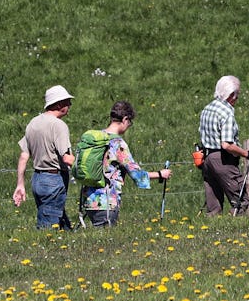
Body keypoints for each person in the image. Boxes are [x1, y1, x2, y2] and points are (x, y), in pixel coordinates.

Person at [80, 101, 172, 227]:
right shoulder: (118, 143)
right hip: (107, 202)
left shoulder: (97, 139)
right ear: (125, 119)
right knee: (106, 242)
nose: (129, 126)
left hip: (89, 200)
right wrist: (160, 174)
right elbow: (136, 174)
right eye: (130, 122)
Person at [13, 85, 76, 229]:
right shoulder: (58, 125)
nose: (69, 105)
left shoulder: (33, 123)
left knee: (56, 219)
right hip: (53, 178)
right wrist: (88, 167)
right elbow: (66, 158)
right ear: (59, 104)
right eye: (67, 102)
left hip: (37, 180)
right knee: (47, 227)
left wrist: (20, 184)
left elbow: (24, 155)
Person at [198, 75, 249, 216]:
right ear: (231, 95)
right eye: (237, 96)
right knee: (240, 201)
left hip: (206, 159)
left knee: (214, 207)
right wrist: (247, 154)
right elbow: (226, 145)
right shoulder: (226, 113)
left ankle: (212, 231)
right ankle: (237, 230)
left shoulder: (207, 108)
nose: (237, 100)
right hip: (222, 160)